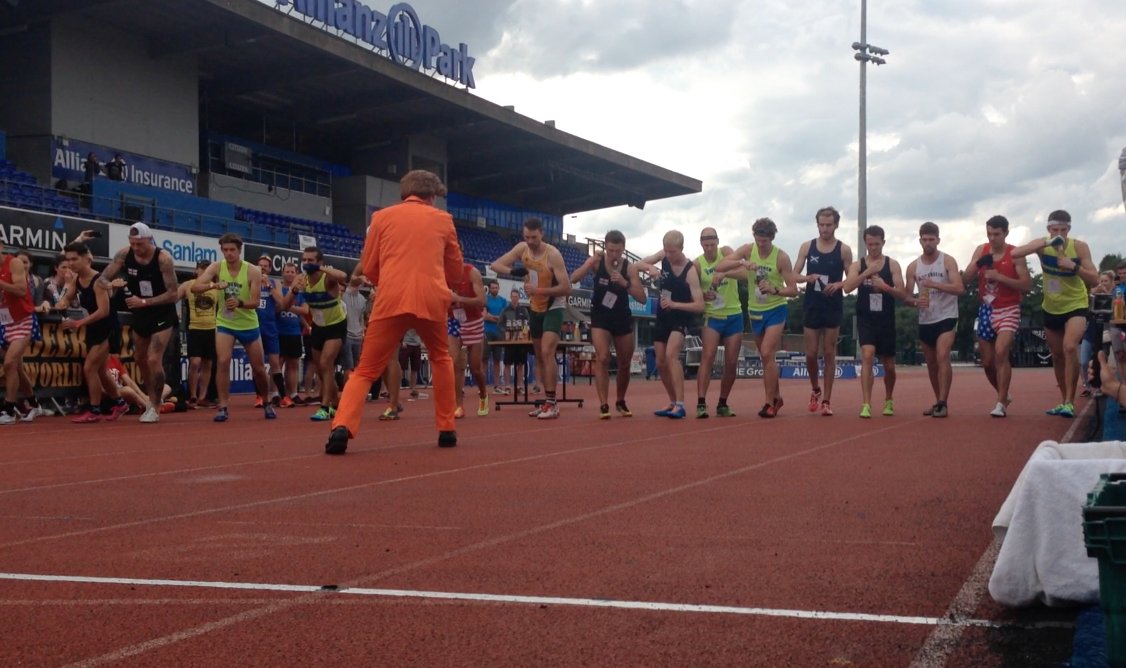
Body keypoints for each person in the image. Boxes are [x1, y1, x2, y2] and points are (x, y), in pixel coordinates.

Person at [325, 169, 463, 454]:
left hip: (390, 299)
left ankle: (342, 427)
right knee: (440, 359)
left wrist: (386, 282)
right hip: (430, 300)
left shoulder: (381, 217)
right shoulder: (443, 220)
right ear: (432, 196)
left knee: (365, 370)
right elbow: (455, 269)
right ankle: (447, 428)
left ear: (404, 193)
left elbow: (369, 264)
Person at [1012, 210, 1099, 418]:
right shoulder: (1043, 244)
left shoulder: (1078, 246)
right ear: (1048, 229)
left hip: (1076, 304)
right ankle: (1063, 400)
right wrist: (1043, 244)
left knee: (1069, 347)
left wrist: (1073, 266)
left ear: (1069, 229)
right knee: (1058, 356)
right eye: (1054, 229)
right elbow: (1015, 254)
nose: (1059, 233)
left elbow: (1095, 279)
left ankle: (1070, 401)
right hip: (1051, 307)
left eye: (1063, 229)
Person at [96, 222, 180, 423]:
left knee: (153, 358)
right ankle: (151, 398)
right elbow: (102, 279)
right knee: (140, 357)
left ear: (149, 240)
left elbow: (173, 293)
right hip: (140, 314)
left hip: (161, 312)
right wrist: (112, 283)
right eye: (132, 244)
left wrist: (145, 301)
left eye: (139, 244)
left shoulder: (163, 259)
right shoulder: (124, 255)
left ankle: (155, 405)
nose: (136, 248)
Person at [716, 218, 799, 417]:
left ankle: (768, 403)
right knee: (765, 357)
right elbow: (721, 266)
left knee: (767, 352)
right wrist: (742, 262)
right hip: (755, 310)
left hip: (776, 309)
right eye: (758, 240)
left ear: (772, 238)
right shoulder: (747, 249)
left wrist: (775, 289)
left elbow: (793, 290)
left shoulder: (781, 257)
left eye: (765, 241)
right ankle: (777, 397)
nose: (761, 244)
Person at [490, 218, 572, 419]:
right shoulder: (522, 249)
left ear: (542, 233)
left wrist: (539, 290)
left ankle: (552, 403)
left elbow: (566, 287)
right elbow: (495, 265)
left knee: (547, 351)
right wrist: (513, 271)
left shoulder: (553, 255)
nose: (530, 241)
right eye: (526, 237)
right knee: (539, 355)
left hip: (554, 305)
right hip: (535, 306)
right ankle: (546, 401)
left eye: (534, 237)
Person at [191, 233, 275, 422]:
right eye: (225, 250)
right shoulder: (216, 267)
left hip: (248, 324)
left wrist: (239, 302)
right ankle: (223, 406)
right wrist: (213, 285)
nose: (229, 254)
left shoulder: (252, 271)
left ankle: (267, 401)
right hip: (225, 322)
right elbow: (196, 287)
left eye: (232, 250)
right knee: (223, 361)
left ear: (239, 250)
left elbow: (255, 301)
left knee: (259, 369)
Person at [570, 230, 646, 419]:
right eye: (611, 250)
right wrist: (588, 263)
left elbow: (642, 298)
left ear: (623, 249)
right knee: (602, 357)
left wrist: (625, 284)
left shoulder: (630, 268)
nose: (614, 254)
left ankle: (620, 400)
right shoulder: (596, 262)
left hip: (621, 316)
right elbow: (573, 278)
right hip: (600, 316)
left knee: (624, 363)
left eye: (618, 251)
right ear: (605, 247)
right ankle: (604, 404)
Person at [963, 215, 1031, 418]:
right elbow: (965, 277)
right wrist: (977, 265)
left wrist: (1000, 276)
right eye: (989, 234)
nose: (992, 238)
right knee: (987, 362)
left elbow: (1026, 285)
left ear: (1005, 233)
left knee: (1001, 352)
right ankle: (1004, 394)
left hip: (1009, 308)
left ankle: (1001, 402)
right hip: (986, 309)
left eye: (996, 234)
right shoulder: (981, 250)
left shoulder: (1015, 253)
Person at [633, 230, 706, 419]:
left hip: (680, 317)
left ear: (681, 249)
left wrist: (675, 304)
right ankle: (673, 401)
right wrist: (650, 268)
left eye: (672, 252)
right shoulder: (663, 255)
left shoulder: (690, 271)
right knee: (660, 361)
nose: (669, 255)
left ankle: (681, 404)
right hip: (663, 315)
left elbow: (699, 305)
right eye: (667, 251)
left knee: (671, 355)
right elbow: (638, 264)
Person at [57, 242, 129, 422]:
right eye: (68, 260)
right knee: (101, 370)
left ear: (86, 259)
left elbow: (103, 311)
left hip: (107, 328)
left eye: (75, 259)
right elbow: (67, 296)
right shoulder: (76, 279)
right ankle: (120, 403)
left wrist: (78, 323)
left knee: (89, 368)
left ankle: (95, 410)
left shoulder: (99, 281)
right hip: (93, 328)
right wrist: (62, 303)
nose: (71, 263)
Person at [791, 206, 853, 416]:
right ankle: (815, 388)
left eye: (829, 225)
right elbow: (793, 275)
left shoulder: (843, 249)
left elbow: (851, 279)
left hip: (833, 305)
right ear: (817, 224)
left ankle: (827, 400)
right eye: (821, 225)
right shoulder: (807, 247)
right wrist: (806, 278)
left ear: (836, 225)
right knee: (810, 354)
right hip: (812, 305)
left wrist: (839, 285)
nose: (825, 229)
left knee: (828, 353)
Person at [843, 225, 909, 419]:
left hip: (886, 319)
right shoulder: (858, 265)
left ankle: (888, 398)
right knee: (868, 354)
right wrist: (866, 273)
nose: (873, 248)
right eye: (870, 244)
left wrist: (885, 286)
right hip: (866, 318)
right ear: (865, 243)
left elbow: (902, 293)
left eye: (877, 244)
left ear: (883, 243)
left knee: (889, 366)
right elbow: (847, 288)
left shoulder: (892, 264)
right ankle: (866, 403)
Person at [681, 228, 747, 419]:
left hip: (734, 314)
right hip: (713, 316)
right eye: (706, 245)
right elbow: (690, 292)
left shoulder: (726, 253)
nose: (710, 249)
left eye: (713, 244)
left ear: (718, 242)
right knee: (708, 357)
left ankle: (723, 403)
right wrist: (703, 294)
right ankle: (701, 403)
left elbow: (744, 273)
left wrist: (725, 273)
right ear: (701, 244)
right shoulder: (697, 265)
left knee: (731, 362)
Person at [905, 222, 964, 418]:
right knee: (931, 362)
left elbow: (959, 288)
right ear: (920, 240)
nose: (928, 243)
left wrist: (936, 285)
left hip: (947, 316)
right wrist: (915, 303)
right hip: (926, 319)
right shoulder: (913, 266)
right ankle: (938, 399)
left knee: (942, 354)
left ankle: (943, 402)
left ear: (938, 240)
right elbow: (907, 297)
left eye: (932, 239)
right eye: (925, 239)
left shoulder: (947, 261)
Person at [283, 248, 348, 422]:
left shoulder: (328, 278)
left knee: (326, 363)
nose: (306, 263)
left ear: (319, 262)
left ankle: (325, 407)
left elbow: (343, 276)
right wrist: (294, 291)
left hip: (336, 325)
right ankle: (336, 404)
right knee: (321, 369)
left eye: (311, 260)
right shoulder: (300, 280)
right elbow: (284, 305)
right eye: (304, 260)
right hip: (318, 327)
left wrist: (322, 269)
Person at [0, 241, 37, 425]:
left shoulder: (13, 263)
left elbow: (22, 290)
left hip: (23, 319)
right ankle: (33, 403)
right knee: (17, 369)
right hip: (4, 321)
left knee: (9, 363)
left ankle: (8, 410)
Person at [447, 262, 489, 418]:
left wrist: (460, 299)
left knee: (475, 367)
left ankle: (483, 395)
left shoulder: (472, 272)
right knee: (455, 362)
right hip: (454, 320)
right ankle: (459, 405)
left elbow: (482, 301)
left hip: (473, 321)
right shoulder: (441, 272)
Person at [178, 259, 220, 409]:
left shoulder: (216, 287)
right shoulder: (188, 285)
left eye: (207, 269)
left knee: (208, 363)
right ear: (196, 271)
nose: (204, 272)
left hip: (211, 329)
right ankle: (193, 395)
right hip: (194, 328)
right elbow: (173, 298)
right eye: (202, 269)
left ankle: (203, 396)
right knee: (195, 362)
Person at [255, 255, 288, 407]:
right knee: (258, 363)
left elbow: (281, 301)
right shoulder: (251, 282)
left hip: (271, 327)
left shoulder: (275, 283)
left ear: (269, 268)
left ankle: (284, 396)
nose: (262, 268)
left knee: (275, 362)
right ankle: (259, 397)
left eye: (265, 266)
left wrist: (268, 285)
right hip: (255, 326)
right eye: (260, 265)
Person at [276, 262, 308, 406]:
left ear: (296, 274)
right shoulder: (278, 289)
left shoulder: (301, 292)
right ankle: (276, 393)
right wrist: (289, 306)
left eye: (292, 272)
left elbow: (305, 311)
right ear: (283, 273)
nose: (289, 274)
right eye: (287, 271)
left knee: (293, 364)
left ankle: (293, 393)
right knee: (278, 363)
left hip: (294, 332)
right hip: (279, 331)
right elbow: (277, 307)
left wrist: (288, 305)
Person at [498, 290, 532, 395]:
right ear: (510, 297)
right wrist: (506, 332)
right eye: (513, 296)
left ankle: (519, 386)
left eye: (516, 296)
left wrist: (524, 332)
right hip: (509, 342)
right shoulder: (505, 310)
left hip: (521, 342)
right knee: (507, 364)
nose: (514, 298)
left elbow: (528, 323)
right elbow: (500, 325)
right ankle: (507, 386)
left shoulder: (524, 310)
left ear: (518, 298)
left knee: (520, 364)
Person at [483, 280, 509, 395]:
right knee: (484, 360)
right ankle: (482, 387)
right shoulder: (485, 300)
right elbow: (484, 316)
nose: (494, 289)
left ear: (499, 288)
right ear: (489, 288)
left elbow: (505, 317)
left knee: (497, 360)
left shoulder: (503, 301)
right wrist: (496, 318)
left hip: (499, 333)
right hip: (487, 332)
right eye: (492, 288)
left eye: (496, 287)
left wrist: (491, 317)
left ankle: (496, 386)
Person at [399, 328, 424, 399]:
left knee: (415, 368)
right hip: (406, 343)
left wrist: (422, 342)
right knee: (401, 367)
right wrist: (401, 341)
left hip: (417, 344)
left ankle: (413, 388)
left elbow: (424, 329)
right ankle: (396, 388)